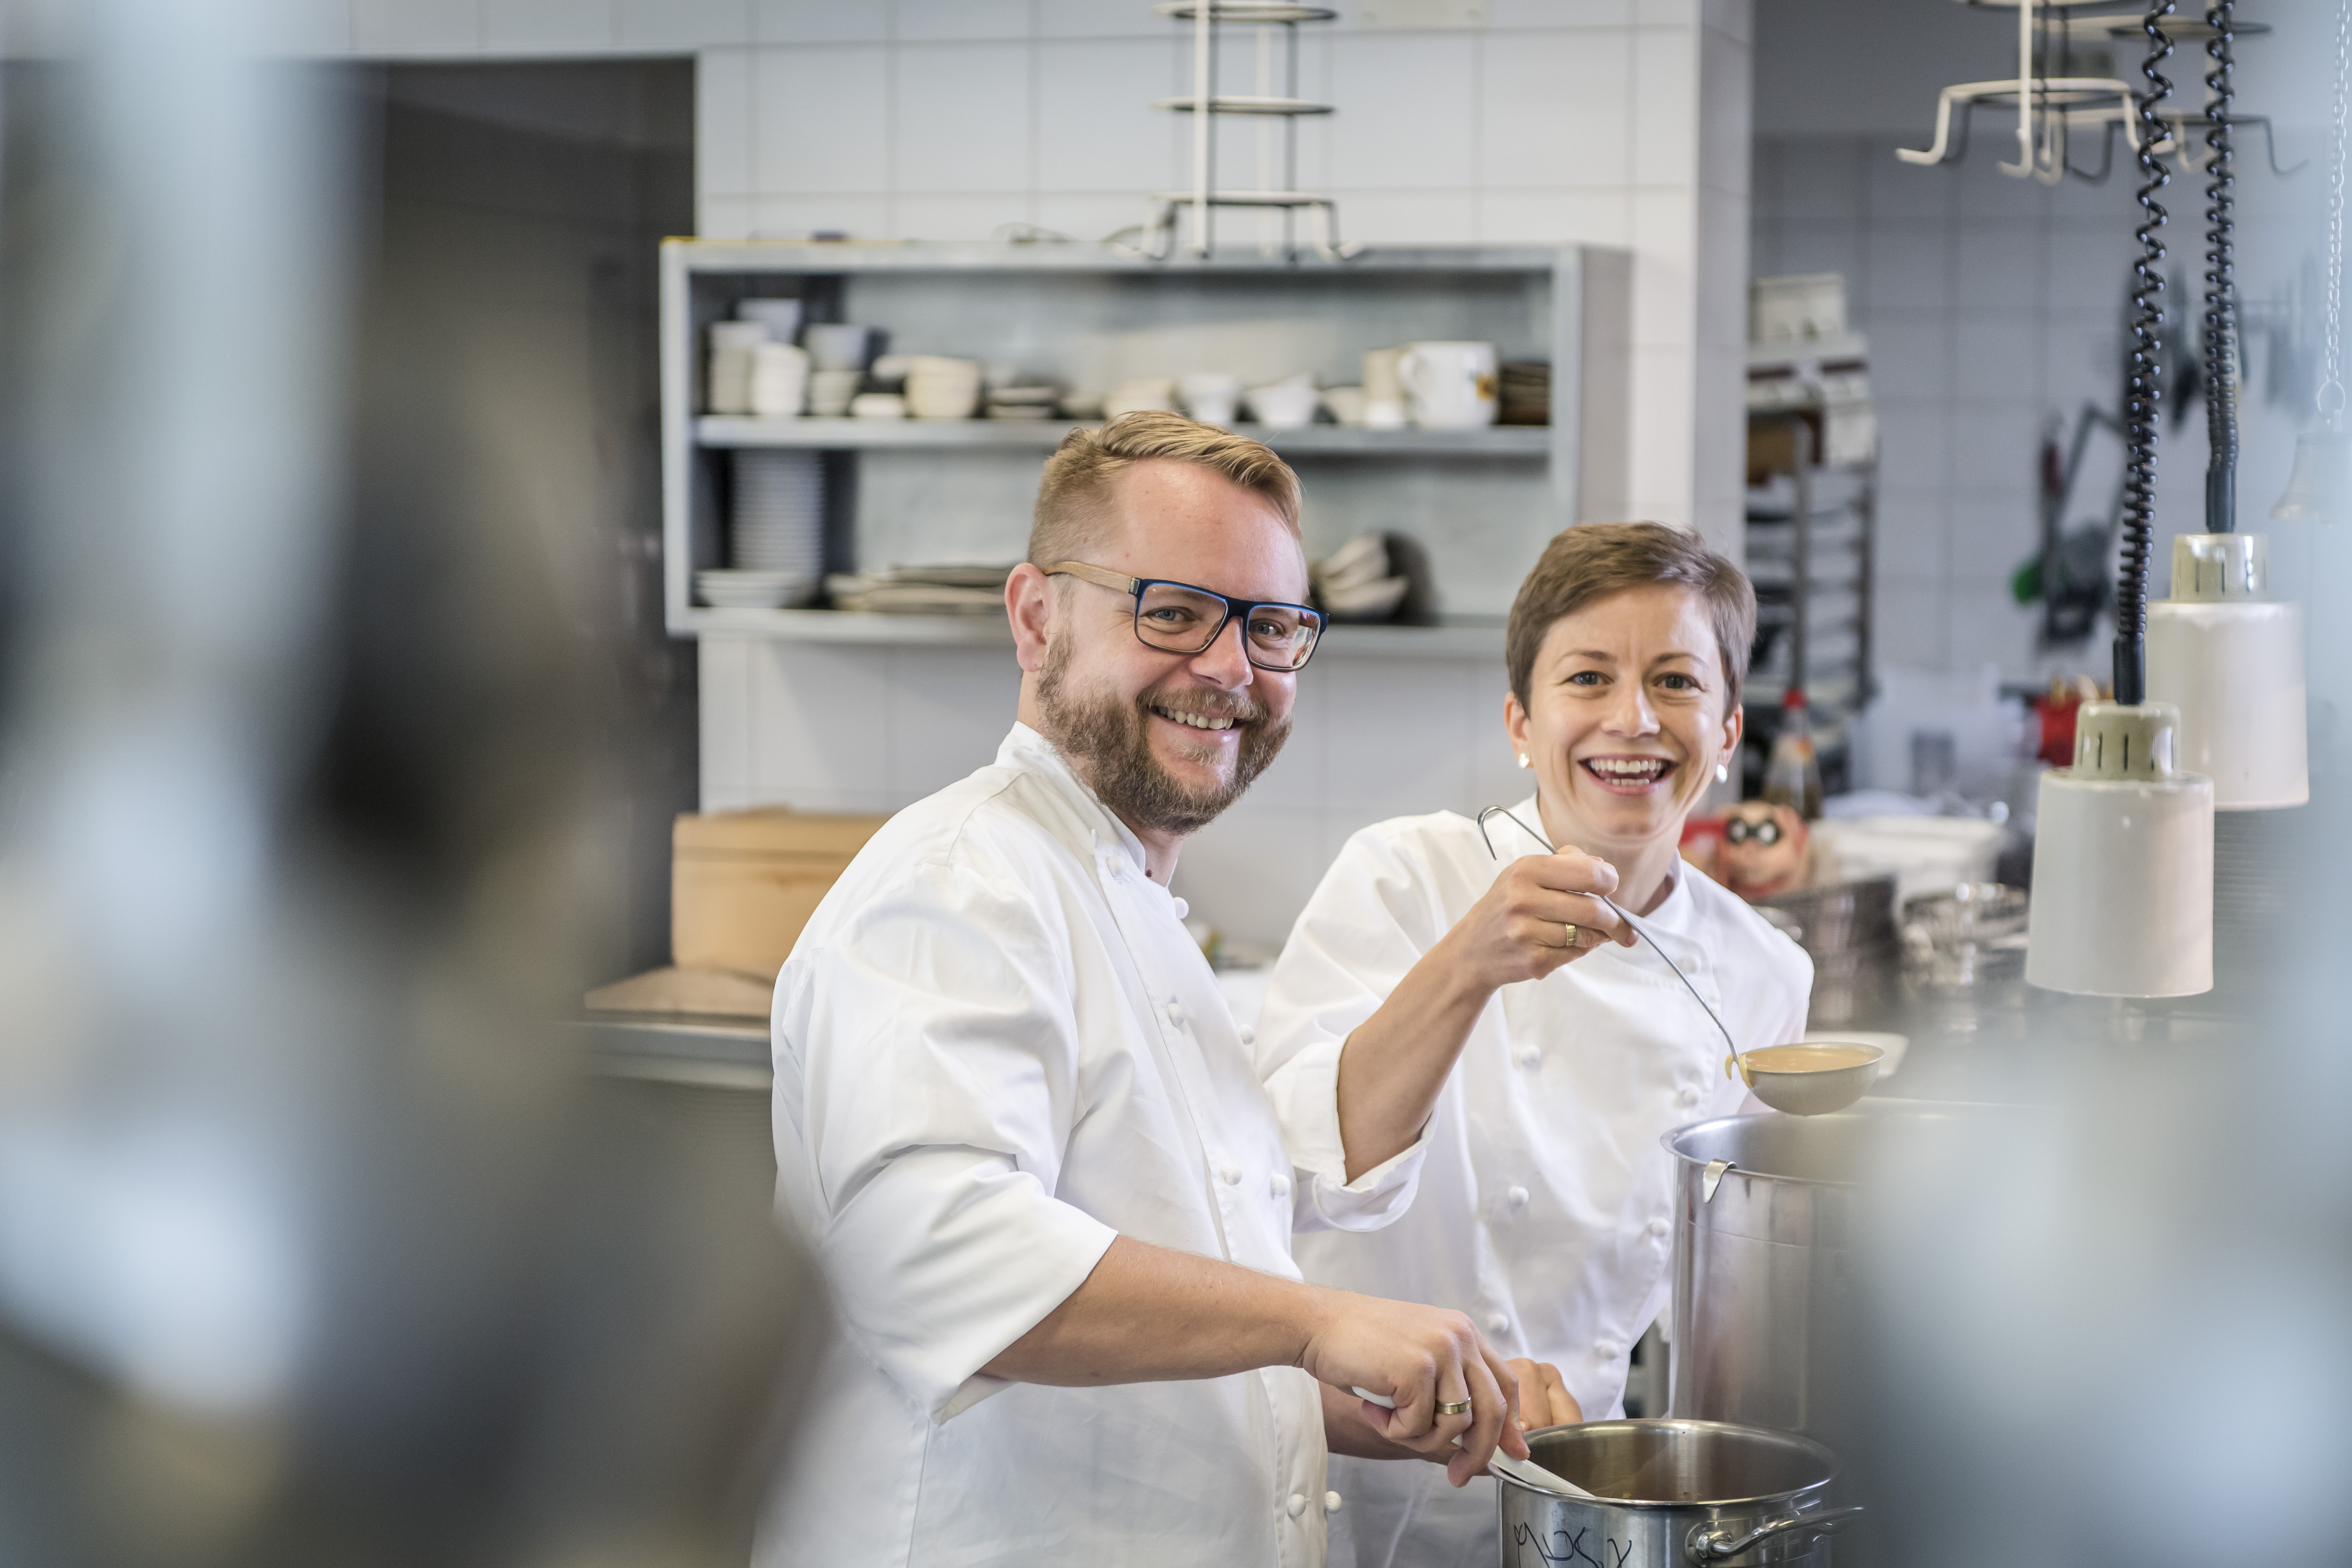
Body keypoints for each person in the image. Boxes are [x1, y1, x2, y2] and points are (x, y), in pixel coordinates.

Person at [760, 414, 1574, 1568]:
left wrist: (1346, 1395)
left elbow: (1158, 1327)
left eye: (1271, 625)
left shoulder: (1133, 904)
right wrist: (1318, 1321)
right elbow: (931, 1256)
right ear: (1036, 617)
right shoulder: (960, 884)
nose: (1230, 668)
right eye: (1174, 612)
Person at [1253, 522, 1815, 1568]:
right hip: (1349, 1489)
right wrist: (1468, 962)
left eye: (1677, 680)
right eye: (1589, 676)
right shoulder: (1403, 876)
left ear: (1729, 728)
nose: (1633, 718)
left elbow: (1729, 1287)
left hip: (1579, 1496)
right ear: (1522, 719)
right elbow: (1308, 1175)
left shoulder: (1765, 973)